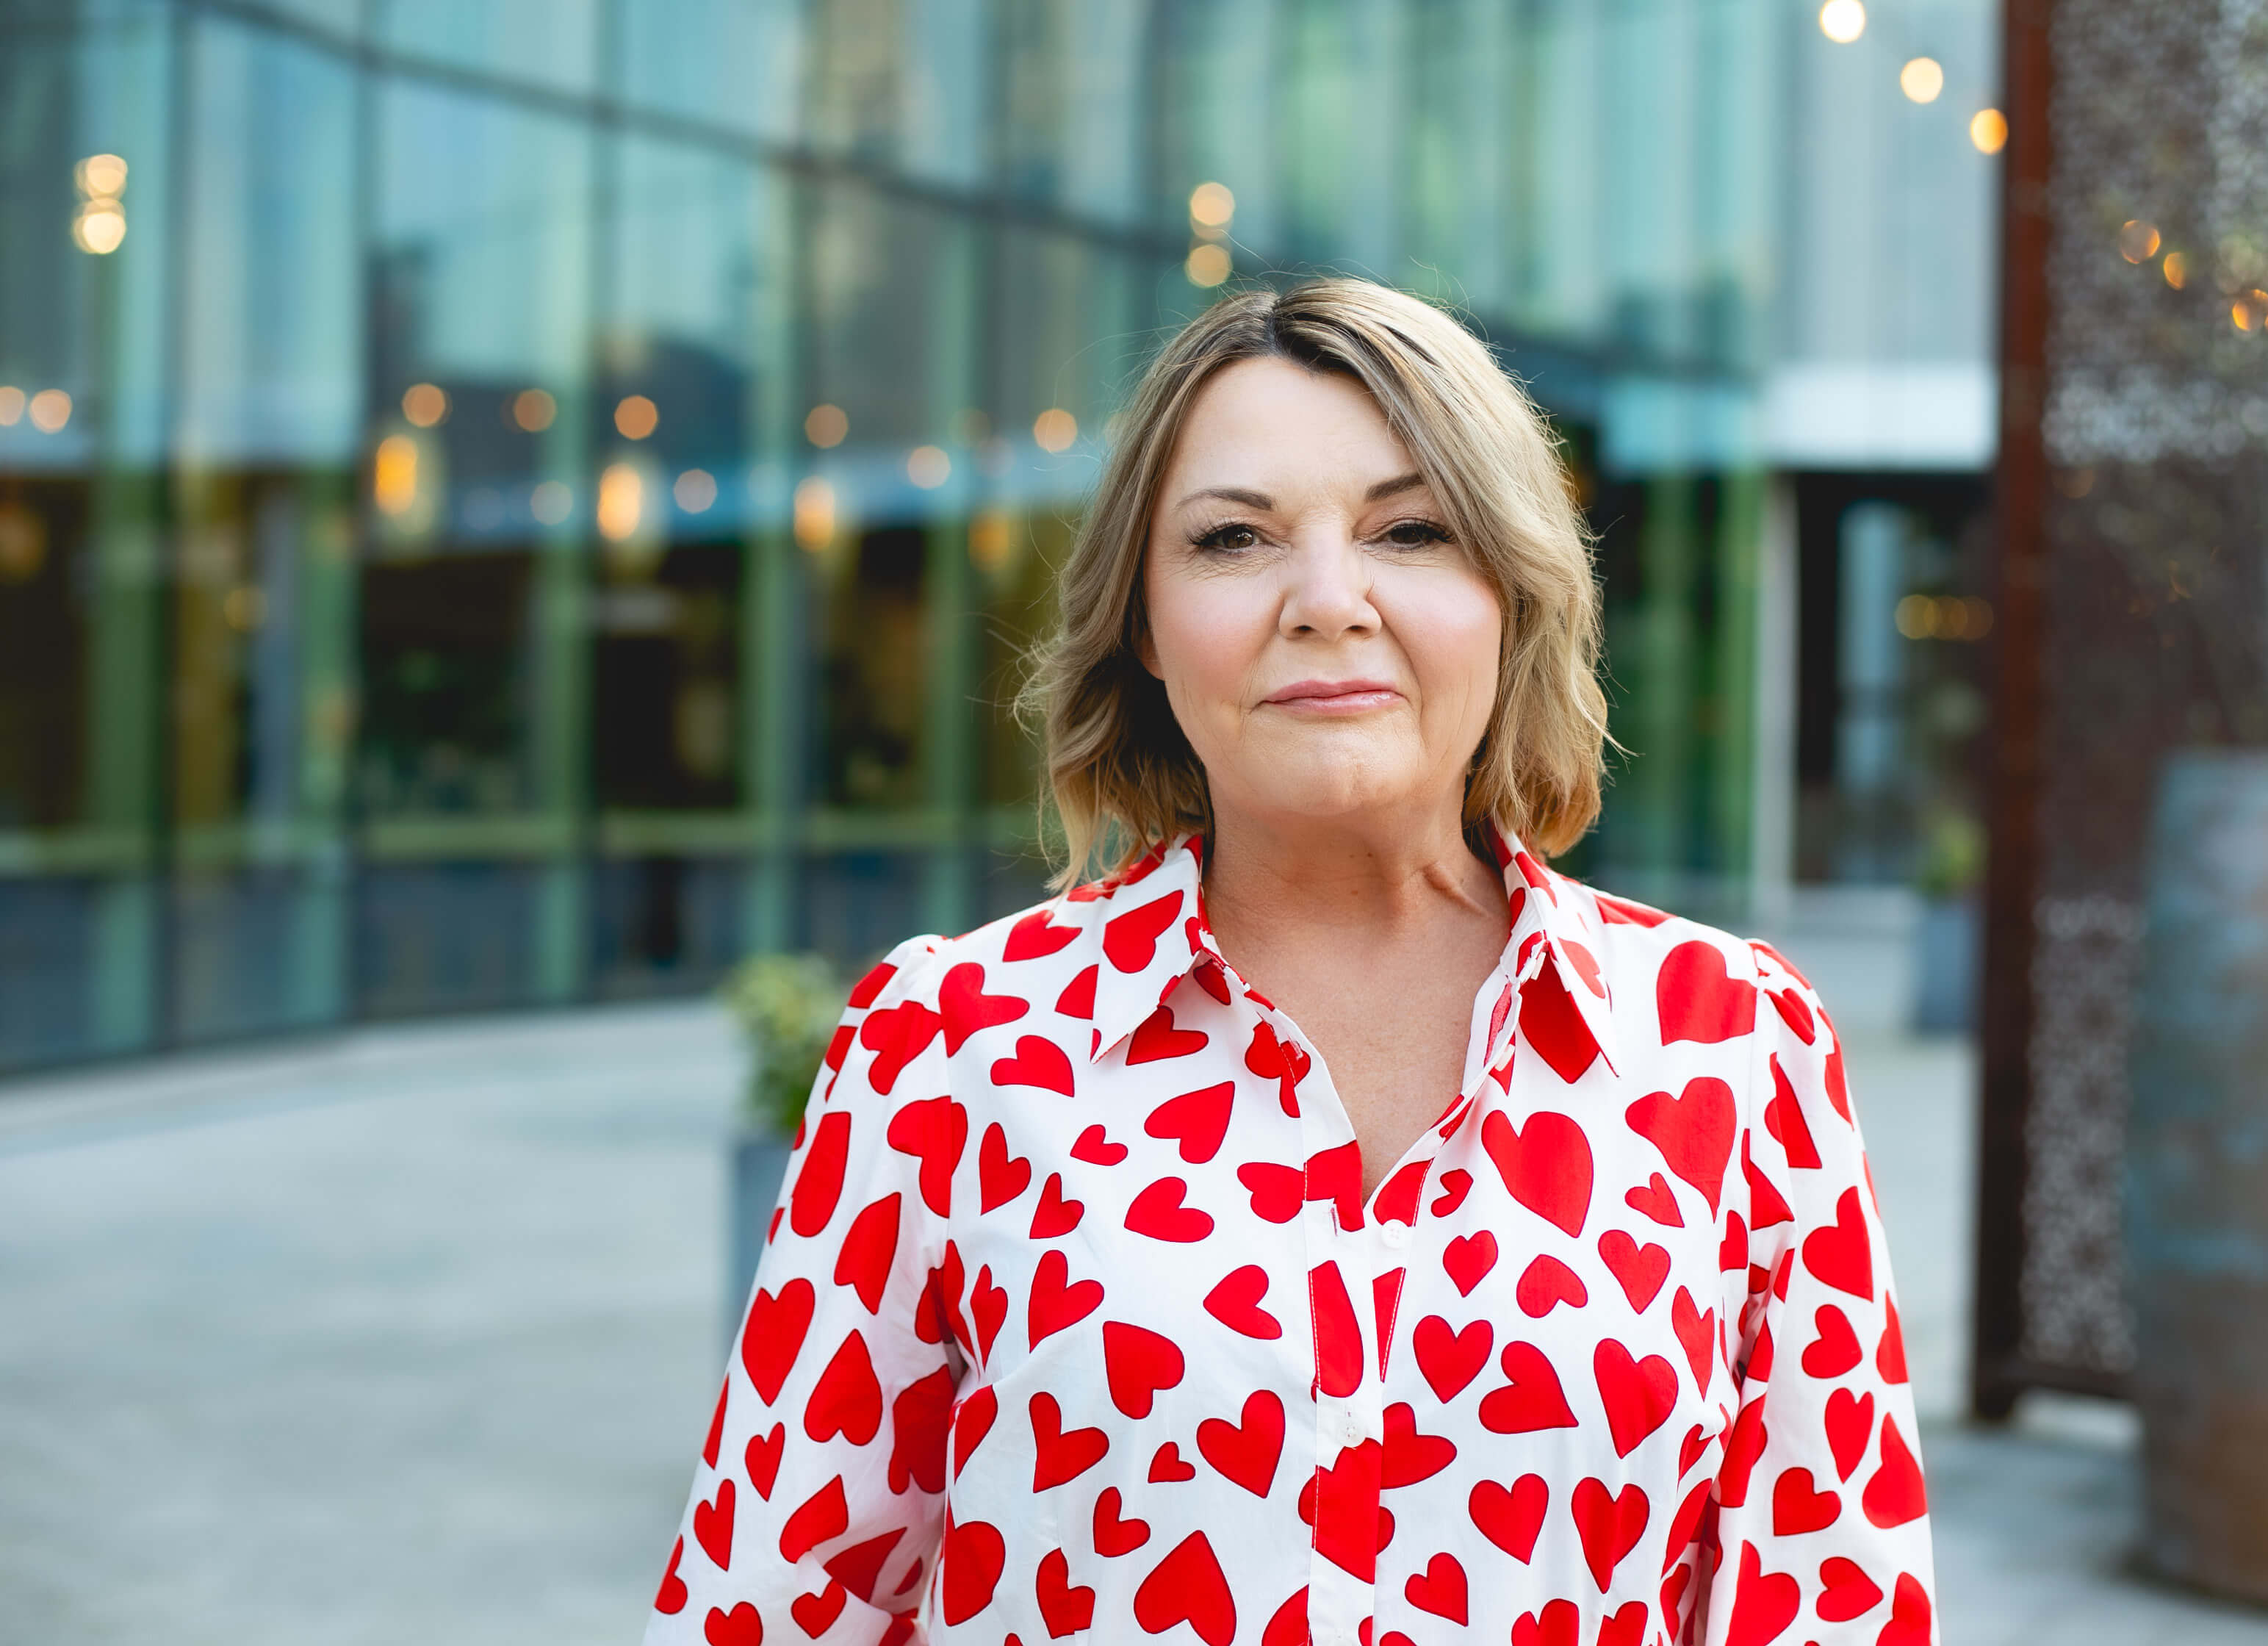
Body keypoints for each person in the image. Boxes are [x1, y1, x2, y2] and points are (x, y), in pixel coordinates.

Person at [645, 278, 1935, 1646]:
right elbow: (769, 1605)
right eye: (1234, 538)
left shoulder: (1733, 1047)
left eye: (1412, 530)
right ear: (1143, 621)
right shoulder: (947, 1049)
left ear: (1511, 591)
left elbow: (1832, 1602)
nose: (1329, 601)